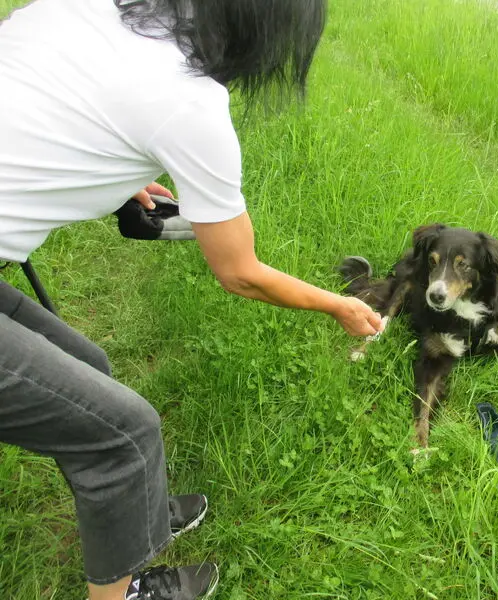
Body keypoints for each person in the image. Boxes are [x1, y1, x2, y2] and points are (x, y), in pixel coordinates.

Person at [0, 0, 383, 598]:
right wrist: (338, 305)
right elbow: (242, 273)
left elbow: (46, 110)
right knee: (126, 433)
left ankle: (133, 507)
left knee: (89, 371)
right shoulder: (191, 101)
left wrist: (118, 170)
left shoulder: (84, 9)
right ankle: (124, 587)